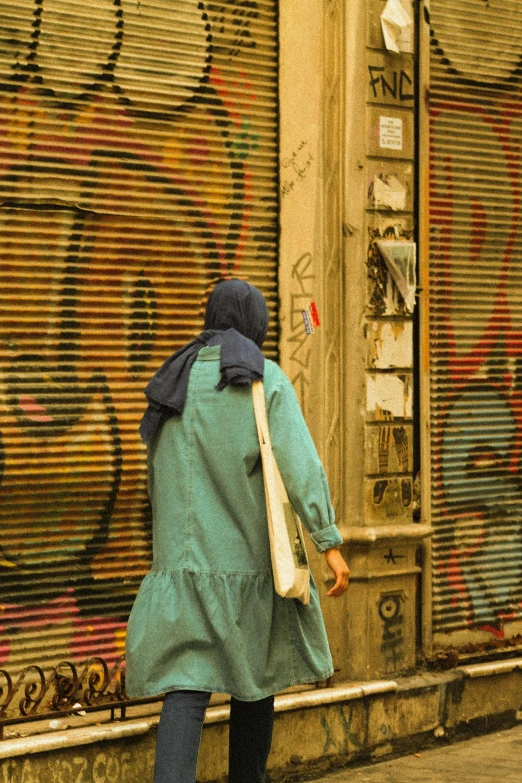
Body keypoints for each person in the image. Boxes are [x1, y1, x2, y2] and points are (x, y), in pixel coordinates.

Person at [125, 279, 349, 783]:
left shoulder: (172, 382)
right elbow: (302, 466)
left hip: (183, 569)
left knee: (185, 688)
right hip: (246, 567)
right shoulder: (262, 380)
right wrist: (328, 542)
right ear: (257, 326)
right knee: (257, 679)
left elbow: (155, 475)